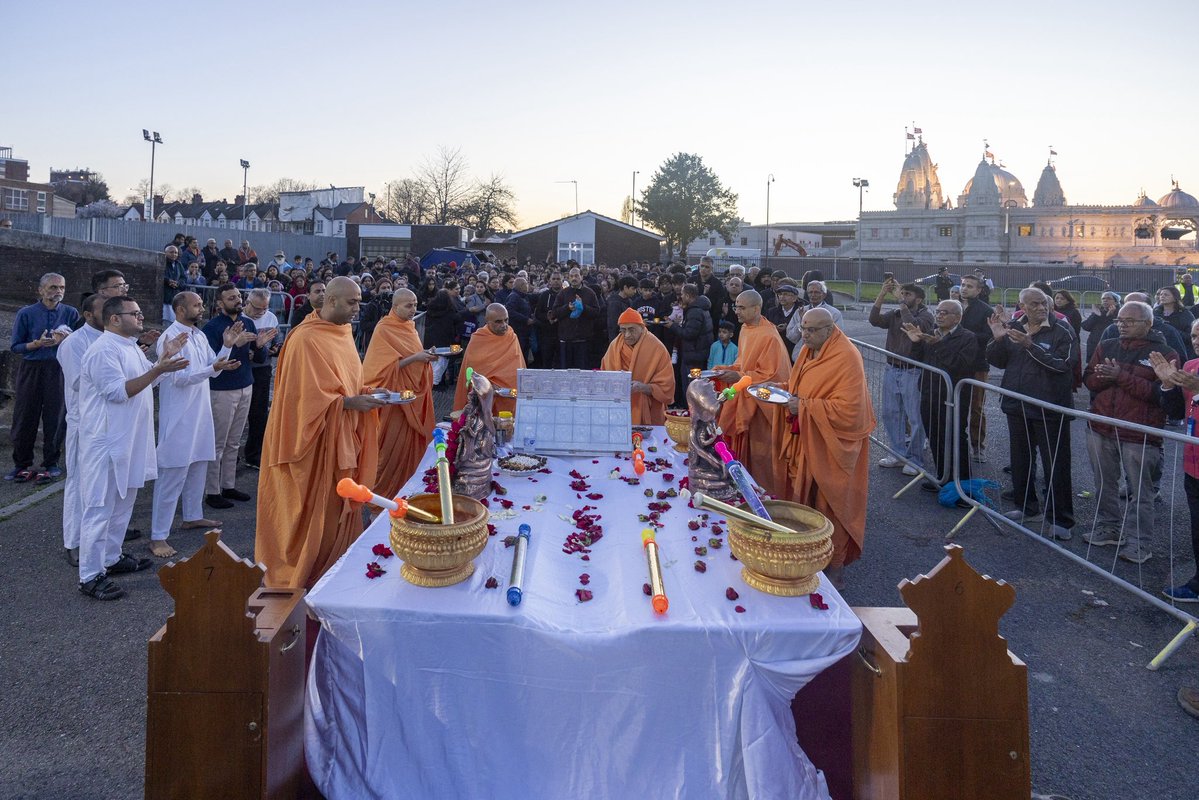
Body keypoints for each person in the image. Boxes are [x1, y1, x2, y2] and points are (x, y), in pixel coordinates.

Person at [255, 277, 383, 590]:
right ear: (331, 300)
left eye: (358, 301)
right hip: (311, 446)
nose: (357, 308)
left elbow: (345, 382)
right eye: (351, 302)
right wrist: (351, 402)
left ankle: (333, 575)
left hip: (340, 435)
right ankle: (305, 576)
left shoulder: (343, 334)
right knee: (317, 515)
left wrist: (367, 393)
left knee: (338, 510)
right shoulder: (305, 340)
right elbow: (301, 402)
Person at [76, 296, 189, 600]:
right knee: (99, 509)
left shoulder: (128, 346)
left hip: (130, 440)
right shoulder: (102, 350)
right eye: (135, 314)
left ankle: (111, 559)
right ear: (114, 319)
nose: (141, 318)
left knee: (123, 504)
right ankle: (90, 575)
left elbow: (144, 383)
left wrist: (160, 361)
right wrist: (159, 368)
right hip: (106, 443)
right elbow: (117, 392)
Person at [773, 308, 874, 587]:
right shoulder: (808, 350)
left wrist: (804, 406)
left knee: (832, 504)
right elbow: (802, 385)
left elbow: (851, 412)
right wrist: (781, 390)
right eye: (803, 329)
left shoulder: (846, 356)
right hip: (808, 437)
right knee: (806, 498)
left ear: (830, 330)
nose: (804, 335)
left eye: (812, 330)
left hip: (833, 444)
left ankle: (835, 566)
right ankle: (807, 554)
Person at [1083, 300, 1182, 564]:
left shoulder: (1165, 353)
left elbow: (1161, 397)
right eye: (1119, 321)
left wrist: (1119, 376)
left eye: (1129, 321)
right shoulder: (1107, 345)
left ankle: (1139, 542)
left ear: (1147, 324)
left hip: (1139, 433)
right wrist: (1103, 376)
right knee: (1104, 483)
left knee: (1141, 492)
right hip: (1101, 426)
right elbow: (1089, 379)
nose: (1122, 325)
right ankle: (1109, 527)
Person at [149, 292, 243, 558]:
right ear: (180, 309)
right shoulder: (170, 337)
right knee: (172, 476)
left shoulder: (198, 334)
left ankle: (192, 515)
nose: (202, 308)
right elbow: (179, 378)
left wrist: (226, 346)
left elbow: (211, 366)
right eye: (196, 305)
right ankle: (158, 536)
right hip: (179, 417)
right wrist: (213, 367)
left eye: (202, 304)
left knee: (199, 465)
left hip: (200, 415)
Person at [986, 289, 1078, 538]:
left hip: (1049, 408)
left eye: (1044, 304)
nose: (1041, 308)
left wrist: (1030, 345)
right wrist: (996, 339)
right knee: (1020, 460)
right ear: (1023, 307)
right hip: (1017, 405)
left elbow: (1063, 366)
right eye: (1035, 304)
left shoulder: (1063, 331)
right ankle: (1026, 507)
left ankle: (1061, 520)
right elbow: (999, 361)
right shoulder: (1014, 325)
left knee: (1056, 465)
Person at [202, 284, 275, 510]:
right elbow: (212, 361)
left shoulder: (248, 323)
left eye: (238, 296)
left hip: (246, 384)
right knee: (218, 443)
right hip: (222, 388)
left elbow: (256, 355)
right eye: (231, 297)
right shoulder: (212, 327)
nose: (237, 300)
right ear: (220, 303)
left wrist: (261, 347)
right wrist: (234, 344)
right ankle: (212, 490)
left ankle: (229, 485)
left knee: (234, 441)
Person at [713, 290, 791, 495]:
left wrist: (739, 377)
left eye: (741, 307)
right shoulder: (746, 329)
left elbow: (770, 375)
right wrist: (728, 370)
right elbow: (743, 363)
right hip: (745, 394)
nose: (736, 311)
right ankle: (741, 488)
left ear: (756, 309)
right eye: (736, 306)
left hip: (760, 407)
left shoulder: (769, 335)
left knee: (760, 456)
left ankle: (764, 495)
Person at [361, 289, 438, 497]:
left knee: (411, 450)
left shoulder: (410, 327)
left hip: (413, 396)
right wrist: (416, 358)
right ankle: (382, 500)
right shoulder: (384, 329)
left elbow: (413, 356)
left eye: (415, 304)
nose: (413, 310)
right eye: (408, 306)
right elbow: (379, 371)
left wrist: (425, 357)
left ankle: (409, 494)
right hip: (395, 401)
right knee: (389, 452)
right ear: (395, 307)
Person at [7, 273, 78, 484]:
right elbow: (15, 346)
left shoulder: (70, 313)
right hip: (31, 367)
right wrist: (36, 344)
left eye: (62, 288)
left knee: (55, 417)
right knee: (25, 415)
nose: (58, 292)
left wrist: (65, 338)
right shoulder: (26, 313)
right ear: (41, 290)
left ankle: (51, 462)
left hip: (57, 369)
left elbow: (79, 341)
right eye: (53, 287)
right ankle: (21, 463)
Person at [902, 300, 977, 491]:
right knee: (934, 435)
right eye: (938, 311)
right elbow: (917, 360)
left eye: (945, 313)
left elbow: (961, 364)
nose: (939, 315)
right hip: (929, 391)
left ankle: (962, 484)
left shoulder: (967, 337)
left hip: (953, 396)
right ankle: (942, 477)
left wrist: (938, 345)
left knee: (955, 437)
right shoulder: (933, 334)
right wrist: (917, 344)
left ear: (958, 318)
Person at [56, 294, 105, 566]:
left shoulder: (110, 339)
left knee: (102, 486)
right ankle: (73, 541)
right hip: (82, 421)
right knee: (78, 482)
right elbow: (77, 382)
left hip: (106, 421)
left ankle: (100, 539)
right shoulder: (75, 343)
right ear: (88, 315)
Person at [1152, 320, 1199, 604]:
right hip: (1193, 464)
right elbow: (1174, 413)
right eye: (1194, 335)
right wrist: (1167, 385)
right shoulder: (1191, 366)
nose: (1197, 340)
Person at [870, 279, 935, 476]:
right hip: (892, 368)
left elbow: (912, 325)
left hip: (912, 370)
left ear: (919, 299)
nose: (903, 296)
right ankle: (897, 454)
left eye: (908, 294)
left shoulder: (926, 315)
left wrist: (901, 303)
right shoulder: (896, 313)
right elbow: (875, 320)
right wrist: (882, 294)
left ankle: (915, 459)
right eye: (902, 293)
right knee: (891, 413)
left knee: (915, 416)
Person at [599, 308, 675, 426]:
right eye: (623, 330)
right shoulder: (614, 346)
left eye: (632, 330)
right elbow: (604, 377)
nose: (627, 335)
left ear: (642, 327)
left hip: (649, 409)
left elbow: (667, 386)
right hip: (619, 410)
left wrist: (645, 387)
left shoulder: (657, 348)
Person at [453, 304, 525, 415]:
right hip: (484, 401)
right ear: (487, 321)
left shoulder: (512, 336)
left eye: (506, 320)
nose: (504, 325)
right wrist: (489, 386)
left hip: (509, 398)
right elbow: (472, 375)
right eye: (498, 321)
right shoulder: (478, 340)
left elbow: (517, 368)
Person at [240, 288, 282, 469]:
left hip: (263, 369)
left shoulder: (271, 317)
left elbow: (276, 340)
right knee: (238, 415)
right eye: (257, 308)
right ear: (247, 303)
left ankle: (254, 454)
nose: (261, 312)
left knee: (259, 414)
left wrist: (275, 348)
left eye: (264, 308)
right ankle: (230, 458)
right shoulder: (239, 318)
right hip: (241, 369)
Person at [958, 274, 993, 462]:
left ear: (979, 290)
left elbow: (989, 336)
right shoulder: (953, 306)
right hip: (954, 364)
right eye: (963, 285)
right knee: (953, 403)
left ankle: (978, 445)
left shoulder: (985, 310)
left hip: (977, 365)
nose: (964, 289)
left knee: (977, 406)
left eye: (969, 286)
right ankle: (955, 440)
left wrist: (964, 335)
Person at [664, 283, 713, 404]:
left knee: (691, 388)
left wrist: (673, 326)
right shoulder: (700, 308)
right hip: (697, 353)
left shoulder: (694, 311)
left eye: (682, 294)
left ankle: (690, 414)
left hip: (693, 355)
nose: (680, 297)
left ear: (688, 295)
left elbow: (689, 334)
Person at [551, 267, 600, 369]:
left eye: (576, 276)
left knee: (582, 373)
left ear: (582, 277)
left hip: (583, 341)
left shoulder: (590, 293)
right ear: (568, 278)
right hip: (566, 341)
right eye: (571, 276)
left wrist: (583, 307)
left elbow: (596, 312)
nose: (574, 278)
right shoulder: (563, 293)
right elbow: (555, 313)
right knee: (565, 372)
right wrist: (567, 308)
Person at [1154, 286, 1196, 361]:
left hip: (1179, 352)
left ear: (1175, 297)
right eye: (1161, 294)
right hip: (1158, 350)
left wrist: (1171, 331)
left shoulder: (1185, 314)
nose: (1162, 296)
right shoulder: (1155, 312)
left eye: (1166, 295)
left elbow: (1191, 336)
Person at [532, 272, 563, 368]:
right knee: (546, 361)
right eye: (554, 279)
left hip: (562, 333)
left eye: (558, 279)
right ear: (549, 281)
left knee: (561, 362)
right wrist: (547, 317)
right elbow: (538, 313)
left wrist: (559, 317)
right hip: (547, 334)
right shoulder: (544, 295)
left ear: (562, 281)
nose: (556, 281)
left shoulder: (566, 294)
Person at [1082, 292, 1121, 365]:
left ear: (1116, 302)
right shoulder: (1099, 312)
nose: (1105, 300)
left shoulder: (1120, 313)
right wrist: (1096, 315)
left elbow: (1114, 329)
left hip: (1111, 348)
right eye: (1103, 298)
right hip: (1094, 346)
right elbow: (1086, 326)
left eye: (1109, 298)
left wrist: (1110, 316)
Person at [766, 281, 802, 355]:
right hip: (776, 349)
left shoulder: (800, 312)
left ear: (794, 298)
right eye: (780, 294)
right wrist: (774, 328)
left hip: (795, 349)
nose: (782, 297)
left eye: (785, 294)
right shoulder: (771, 312)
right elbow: (765, 328)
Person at [606, 275, 639, 341]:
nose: (635, 292)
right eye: (633, 289)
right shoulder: (614, 302)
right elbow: (613, 326)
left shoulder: (629, 301)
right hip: (618, 339)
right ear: (625, 287)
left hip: (628, 336)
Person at [162, 245, 185, 323]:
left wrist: (177, 284)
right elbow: (159, 275)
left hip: (175, 296)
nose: (174, 254)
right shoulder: (162, 262)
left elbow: (183, 277)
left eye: (176, 252)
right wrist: (168, 281)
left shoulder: (178, 264)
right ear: (165, 253)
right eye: (171, 252)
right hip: (164, 296)